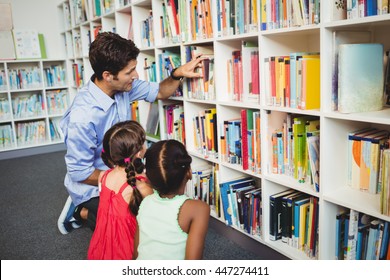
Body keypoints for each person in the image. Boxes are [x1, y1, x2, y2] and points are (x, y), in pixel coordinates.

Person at [58, 31, 204, 234]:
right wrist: (124, 179)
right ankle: (80, 211)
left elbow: (160, 91)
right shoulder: (82, 118)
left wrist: (177, 74)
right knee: (131, 223)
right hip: (93, 182)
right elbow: (80, 172)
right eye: (130, 72)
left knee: (153, 209)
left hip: (126, 168)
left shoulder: (124, 86)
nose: (135, 75)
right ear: (108, 76)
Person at [133, 140, 210, 260]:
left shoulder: (145, 202)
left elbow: (136, 254)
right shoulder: (199, 209)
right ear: (189, 172)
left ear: (149, 178)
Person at [87, 120, 152, 260]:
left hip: (102, 242)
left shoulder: (103, 176)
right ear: (139, 153)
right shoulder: (140, 186)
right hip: (126, 247)